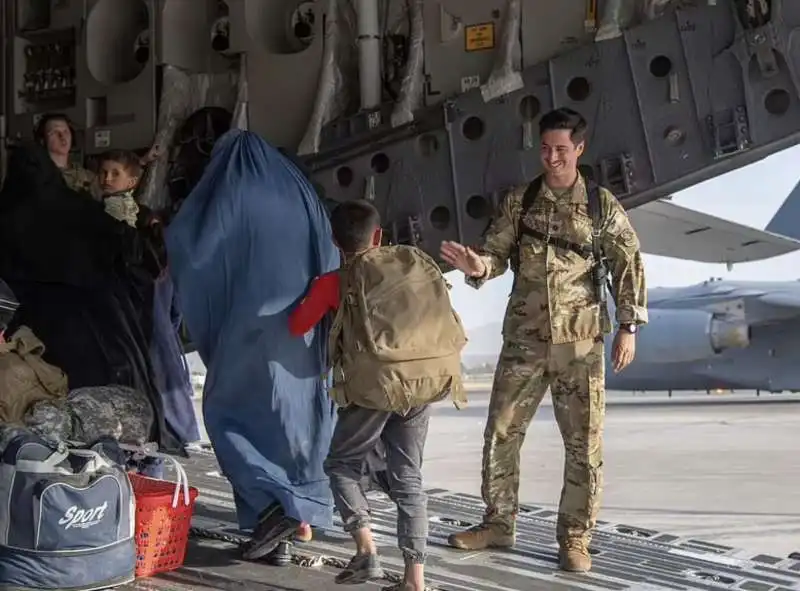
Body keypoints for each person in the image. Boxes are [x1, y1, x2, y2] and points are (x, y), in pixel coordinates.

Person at [440, 107, 648, 572]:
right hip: (525, 342)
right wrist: (477, 267)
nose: (552, 158)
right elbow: (494, 254)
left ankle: (575, 540)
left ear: (579, 149)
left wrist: (629, 327)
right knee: (500, 433)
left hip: (580, 345)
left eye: (561, 149)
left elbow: (628, 265)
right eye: (545, 149)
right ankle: (498, 523)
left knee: (583, 445)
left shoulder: (600, 206)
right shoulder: (521, 201)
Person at [165, 129, 339, 564]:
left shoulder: (235, 188)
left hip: (254, 329)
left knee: (230, 416)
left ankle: (275, 511)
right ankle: (280, 527)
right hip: (303, 337)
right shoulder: (301, 195)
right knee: (298, 427)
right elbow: (331, 256)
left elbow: (197, 245)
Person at [291, 200, 466, 591]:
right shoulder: (409, 270)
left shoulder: (332, 283)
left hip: (373, 390)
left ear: (334, 240)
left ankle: (366, 550)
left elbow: (297, 326)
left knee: (341, 465)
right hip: (422, 382)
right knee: (408, 477)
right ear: (379, 236)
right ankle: (414, 580)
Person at [33, 113, 101, 200]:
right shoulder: (36, 177)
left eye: (65, 131)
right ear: (42, 140)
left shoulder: (88, 177)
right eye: (54, 132)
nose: (62, 136)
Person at [97, 149, 143, 227]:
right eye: (104, 172)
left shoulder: (114, 206)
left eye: (115, 174)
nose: (107, 178)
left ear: (131, 182)